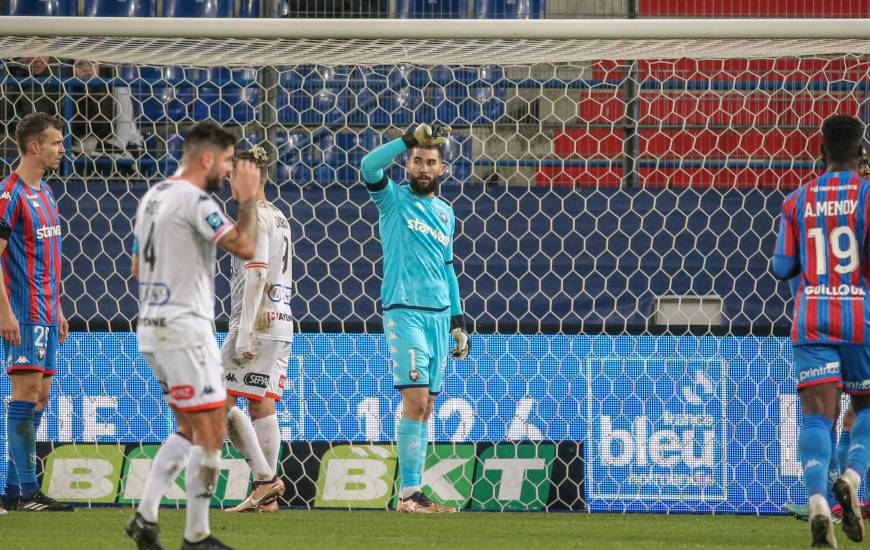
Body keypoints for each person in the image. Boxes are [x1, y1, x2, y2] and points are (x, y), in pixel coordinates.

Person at [125, 121, 260, 550]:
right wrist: (248, 201)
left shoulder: (154, 196)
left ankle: (145, 517)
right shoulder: (196, 200)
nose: (227, 169)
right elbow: (246, 247)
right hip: (186, 328)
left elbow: (136, 269)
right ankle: (196, 536)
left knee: (188, 424)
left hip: (152, 328)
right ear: (207, 159)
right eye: (225, 161)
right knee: (213, 427)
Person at [359, 123, 470, 513]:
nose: (423, 168)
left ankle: (414, 492)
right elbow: (368, 166)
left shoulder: (445, 212)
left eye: (430, 163)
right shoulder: (392, 199)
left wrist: (458, 320)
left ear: (442, 170)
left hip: (439, 316)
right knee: (415, 398)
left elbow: (448, 266)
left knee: (426, 407)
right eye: (417, 161)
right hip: (404, 311)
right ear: (407, 165)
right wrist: (408, 139)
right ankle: (407, 495)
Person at [773, 115, 870, 547]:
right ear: (862, 153)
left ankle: (817, 502)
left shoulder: (796, 200)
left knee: (817, 416)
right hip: (860, 314)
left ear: (821, 152)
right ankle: (851, 478)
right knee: (866, 407)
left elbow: (780, 267)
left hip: (810, 315)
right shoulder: (867, 195)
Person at [0, 113, 71, 513]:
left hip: (45, 311)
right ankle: (28, 492)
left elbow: (48, 258)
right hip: (23, 313)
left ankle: (12, 492)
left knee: (40, 396)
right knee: (25, 394)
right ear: (34, 147)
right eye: (56, 142)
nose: (62, 149)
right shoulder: (9, 195)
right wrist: (5, 313)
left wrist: (58, 307)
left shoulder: (45, 192)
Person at [221, 145, 291, 513]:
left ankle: (265, 481)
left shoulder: (252, 216)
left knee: (216, 402)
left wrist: (244, 333)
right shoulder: (279, 216)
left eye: (234, 173)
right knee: (262, 405)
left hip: (256, 325)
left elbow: (257, 272)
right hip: (281, 323)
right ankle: (268, 501)